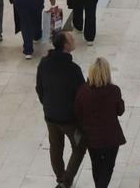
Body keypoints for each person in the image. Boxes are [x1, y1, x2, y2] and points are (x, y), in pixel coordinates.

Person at [36, 31, 86, 188]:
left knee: (56, 147)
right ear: (65, 45)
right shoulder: (73, 69)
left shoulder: (44, 63)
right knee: (79, 146)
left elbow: (39, 87)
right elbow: (81, 96)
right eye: (71, 39)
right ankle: (66, 181)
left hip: (50, 115)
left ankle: (60, 177)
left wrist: (47, 104)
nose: (74, 40)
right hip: (69, 119)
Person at [74, 58, 126, 188]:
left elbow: (78, 113)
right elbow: (120, 111)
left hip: (91, 138)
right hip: (111, 137)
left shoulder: (83, 91)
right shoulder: (114, 90)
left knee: (96, 165)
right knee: (108, 167)